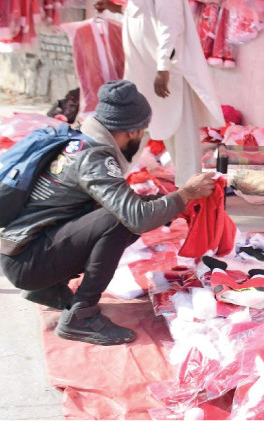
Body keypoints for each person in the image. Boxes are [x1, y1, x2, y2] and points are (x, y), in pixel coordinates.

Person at [0, 80, 216, 346]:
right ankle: (81, 316)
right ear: (133, 131)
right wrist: (185, 194)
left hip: (23, 253)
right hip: (29, 262)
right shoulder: (94, 158)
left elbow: (117, 203)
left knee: (122, 212)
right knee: (120, 221)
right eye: (142, 132)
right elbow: (135, 217)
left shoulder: (80, 143)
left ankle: (48, 289)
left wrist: (171, 203)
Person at [94, 0, 225, 187]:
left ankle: (193, 196)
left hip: (166, 74)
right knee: (132, 131)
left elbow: (169, 22)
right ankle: (109, 187)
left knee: (182, 138)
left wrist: (163, 67)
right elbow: (143, 18)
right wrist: (114, 8)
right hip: (142, 75)